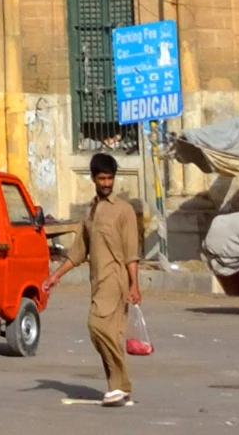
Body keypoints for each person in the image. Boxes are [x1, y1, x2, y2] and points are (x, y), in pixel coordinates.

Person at [53, 149, 146, 408]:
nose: (106, 183)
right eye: (102, 178)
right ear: (93, 179)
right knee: (110, 334)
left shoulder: (124, 210)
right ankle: (116, 388)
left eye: (110, 178)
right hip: (97, 281)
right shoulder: (91, 212)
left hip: (115, 279)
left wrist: (135, 285)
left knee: (97, 327)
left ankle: (120, 384)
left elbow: (131, 252)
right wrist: (55, 277)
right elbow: (78, 252)